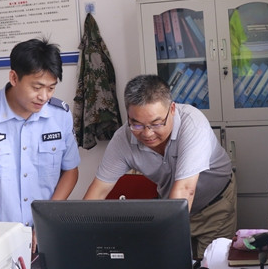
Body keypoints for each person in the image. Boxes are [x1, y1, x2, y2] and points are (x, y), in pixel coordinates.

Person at [84, 74, 236, 262]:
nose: (147, 134)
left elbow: (185, 189)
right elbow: (98, 192)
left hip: (214, 205)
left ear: (172, 109)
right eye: (137, 124)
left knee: (211, 262)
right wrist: (79, 234)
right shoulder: (123, 139)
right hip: (171, 206)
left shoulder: (192, 124)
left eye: (156, 124)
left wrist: (163, 240)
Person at [0, 37, 80, 249]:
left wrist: (46, 221)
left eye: (51, 88)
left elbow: (70, 171)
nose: (44, 97)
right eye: (37, 87)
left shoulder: (60, 115)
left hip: (46, 233)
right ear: (14, 78)